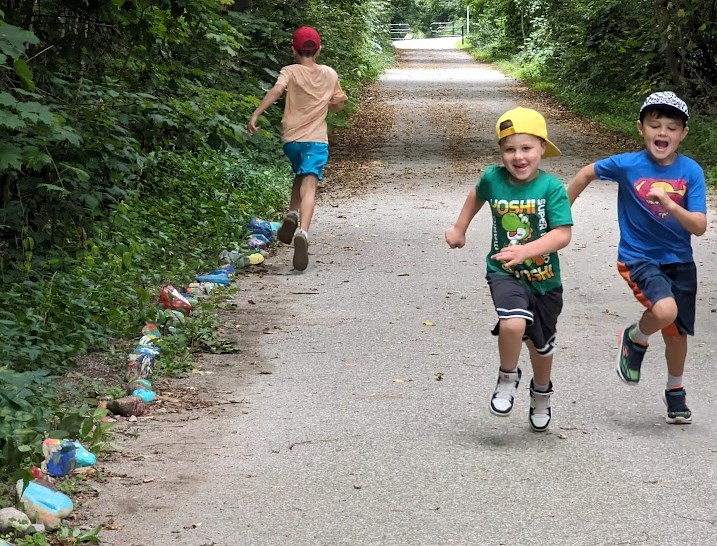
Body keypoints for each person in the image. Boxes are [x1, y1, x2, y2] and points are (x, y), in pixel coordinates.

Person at [568, 91, 707, 424]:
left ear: (683, 134)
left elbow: (700, 226)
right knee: (665, 310)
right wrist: (561, 213)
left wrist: (672, 205)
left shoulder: (691, 171)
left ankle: (675, 391)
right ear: (641, 128)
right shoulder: (628, 165)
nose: (663, 133)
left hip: (680, 260)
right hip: (639, 257)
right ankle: (636, 337)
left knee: (677, 333)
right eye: (655, 125)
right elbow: (587, 172)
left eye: (672, 127)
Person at [445, 107, 573, 431]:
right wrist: (460, 227)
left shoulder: (551, 188)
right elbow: (477, 193)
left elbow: (562, 234)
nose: (518, 156)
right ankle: (507, 377)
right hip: (504, 271)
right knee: (512, 323)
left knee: (541, 348)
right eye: (509, 149)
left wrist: (527, 250)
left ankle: (541, 393)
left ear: (542, 147)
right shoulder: (493, 178)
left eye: (526, 148)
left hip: (545, 281)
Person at [247, 26, 347, 271]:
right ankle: (303, 231)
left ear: (294, 50)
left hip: (291, 141)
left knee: (300, 175)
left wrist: (256, 113)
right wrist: (325, 106)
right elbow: (340, 102)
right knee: (309, 184)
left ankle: (292, 213)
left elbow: (277, 90)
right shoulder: (329, 74)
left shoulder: (289, 71)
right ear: (319, 49)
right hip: (316, 140)